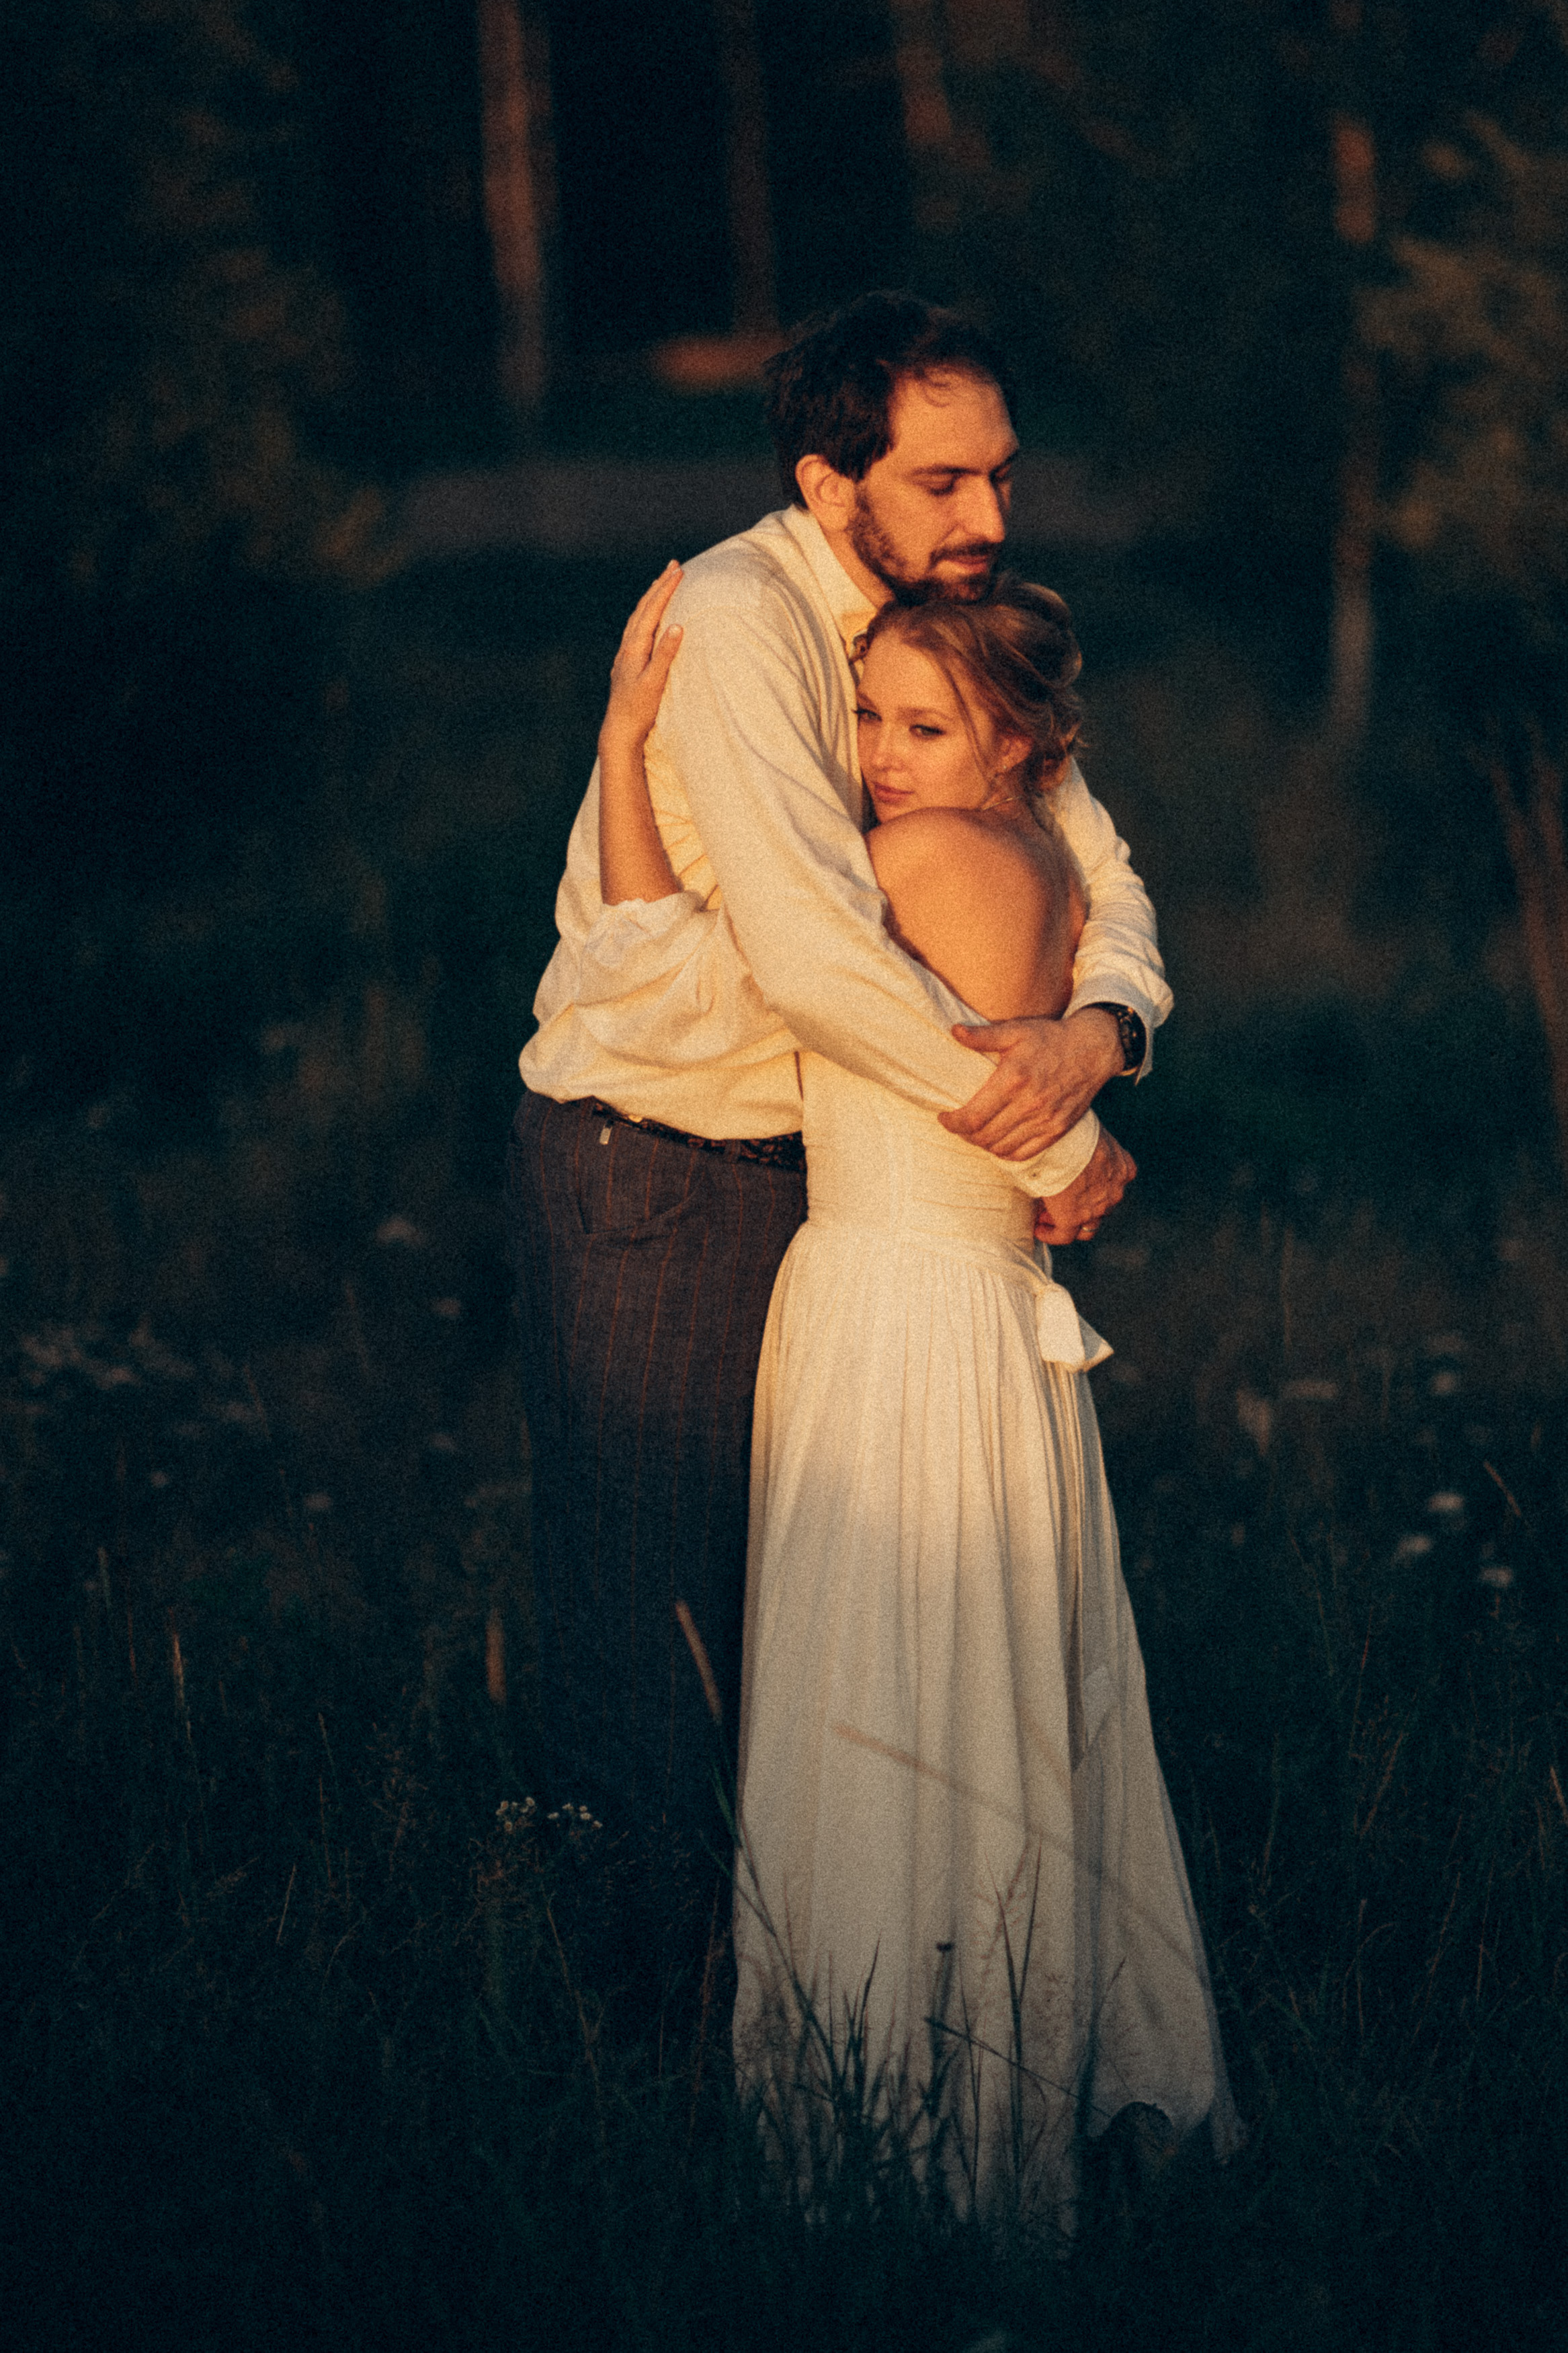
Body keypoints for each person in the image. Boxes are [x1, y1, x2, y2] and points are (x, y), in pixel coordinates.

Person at [506, 293, 1171, 2040]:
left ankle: (869, 2019)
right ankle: (649, 2070)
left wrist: (1097, 1034)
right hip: (657, 1163)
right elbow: (813, 958)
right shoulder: (741, 620)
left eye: (999, 476)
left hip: (833, 1166)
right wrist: (1068, 1134)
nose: (988, 520)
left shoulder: (942, 627)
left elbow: (1092, 858)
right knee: (665, 1646)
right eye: (942, 480)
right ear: (828, 479)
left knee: (802, 1630)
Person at [589, 566, 1239, 2218]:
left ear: (1022, 741)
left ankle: (909, 2130)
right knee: (986, 1677)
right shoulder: (1042, 861)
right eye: (866, 714)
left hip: (895, 1303)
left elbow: (694, 973)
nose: (879, 751)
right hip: (972, 1310)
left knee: (891, 1679)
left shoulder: (924, 857)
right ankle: (1010, 2062)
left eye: (924, 722)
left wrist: (624, 750)